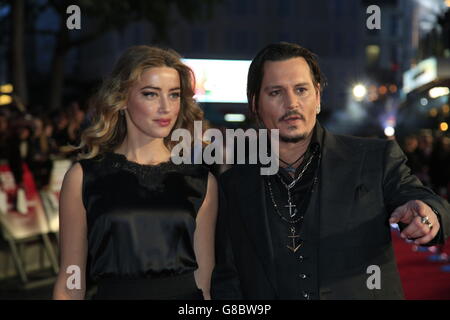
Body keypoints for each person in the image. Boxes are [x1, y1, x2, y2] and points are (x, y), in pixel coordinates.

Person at [211, 42, 450, 300]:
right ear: (255, 104)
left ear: (317, 97)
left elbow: (417, 196)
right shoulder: (232, 185)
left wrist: (429, 214)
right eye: (275, 93)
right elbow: (228, 278)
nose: (291, 103)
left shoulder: (373, 158)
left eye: (301, 90)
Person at [53, 46, 218, 300]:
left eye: (174, 95)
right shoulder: (84, 177)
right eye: (151, 94)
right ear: (122, 99)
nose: (166, 107)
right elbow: (69, 283)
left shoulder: (200, 182)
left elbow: (204, 284)